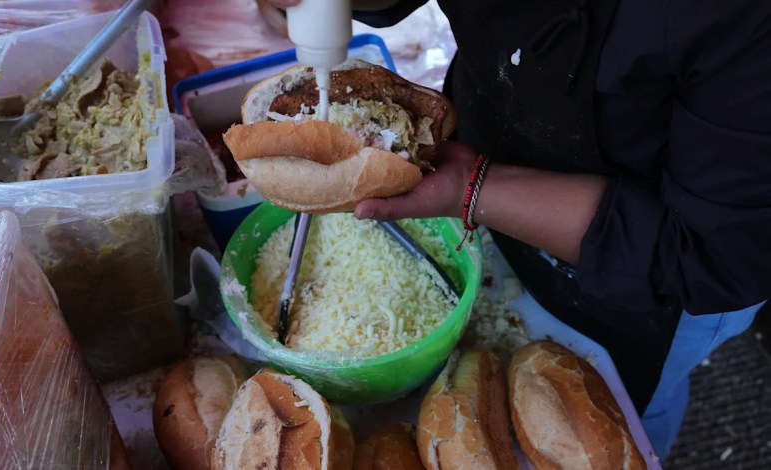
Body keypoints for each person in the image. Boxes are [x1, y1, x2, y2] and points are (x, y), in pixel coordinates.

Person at [268, 0, 771, 459]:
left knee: (619, 415)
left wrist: (474, 187)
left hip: (659, 275)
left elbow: (710, 253)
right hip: (492, 157)